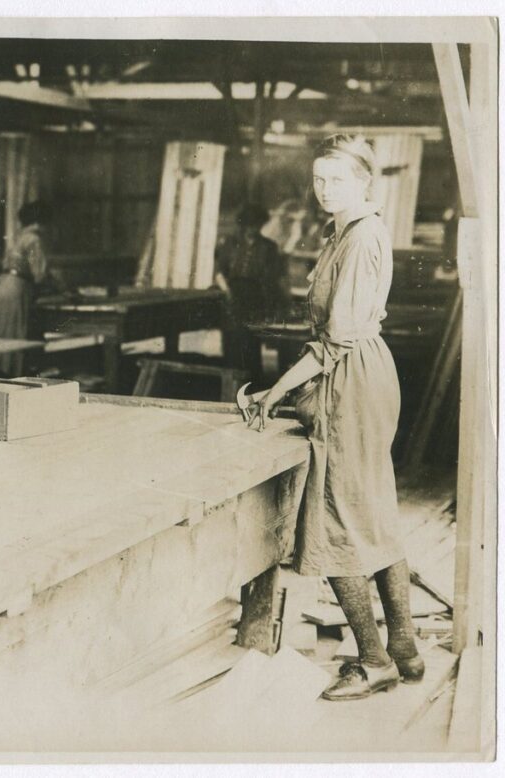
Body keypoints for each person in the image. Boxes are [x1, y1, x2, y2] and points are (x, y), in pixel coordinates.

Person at [245, 133, 421, 701]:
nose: (324, 190)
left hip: (350, 379)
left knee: (337, 518)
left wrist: (274, 391)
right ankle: (406, 648)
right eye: (319, 179)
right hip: (361, 372)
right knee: (371, 507)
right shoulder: (344, 229)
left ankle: (372, 662)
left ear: (366, 181)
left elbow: (335, 340)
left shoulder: (361, 236)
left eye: (337, 180)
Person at [214, 202, 288, 380]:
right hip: (232, 294)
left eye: (256, 224)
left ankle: (252, 382)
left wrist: (273, 302)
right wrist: (227, 292)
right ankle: (230, 381)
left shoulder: (268, 247)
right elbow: (219, 272)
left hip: (255, 296)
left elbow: (274, 278)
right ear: (242, 224)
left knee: (251, 340)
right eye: (249, 224)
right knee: (231, 339)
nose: (252, 228)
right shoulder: (230, 244)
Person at [0, 201, 52, 376]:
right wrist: (60, 287)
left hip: (1, 285)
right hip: (16, 289)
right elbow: (40, 273)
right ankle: (10, 377)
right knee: (13, 336)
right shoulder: (34, 240)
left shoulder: (18, 237)